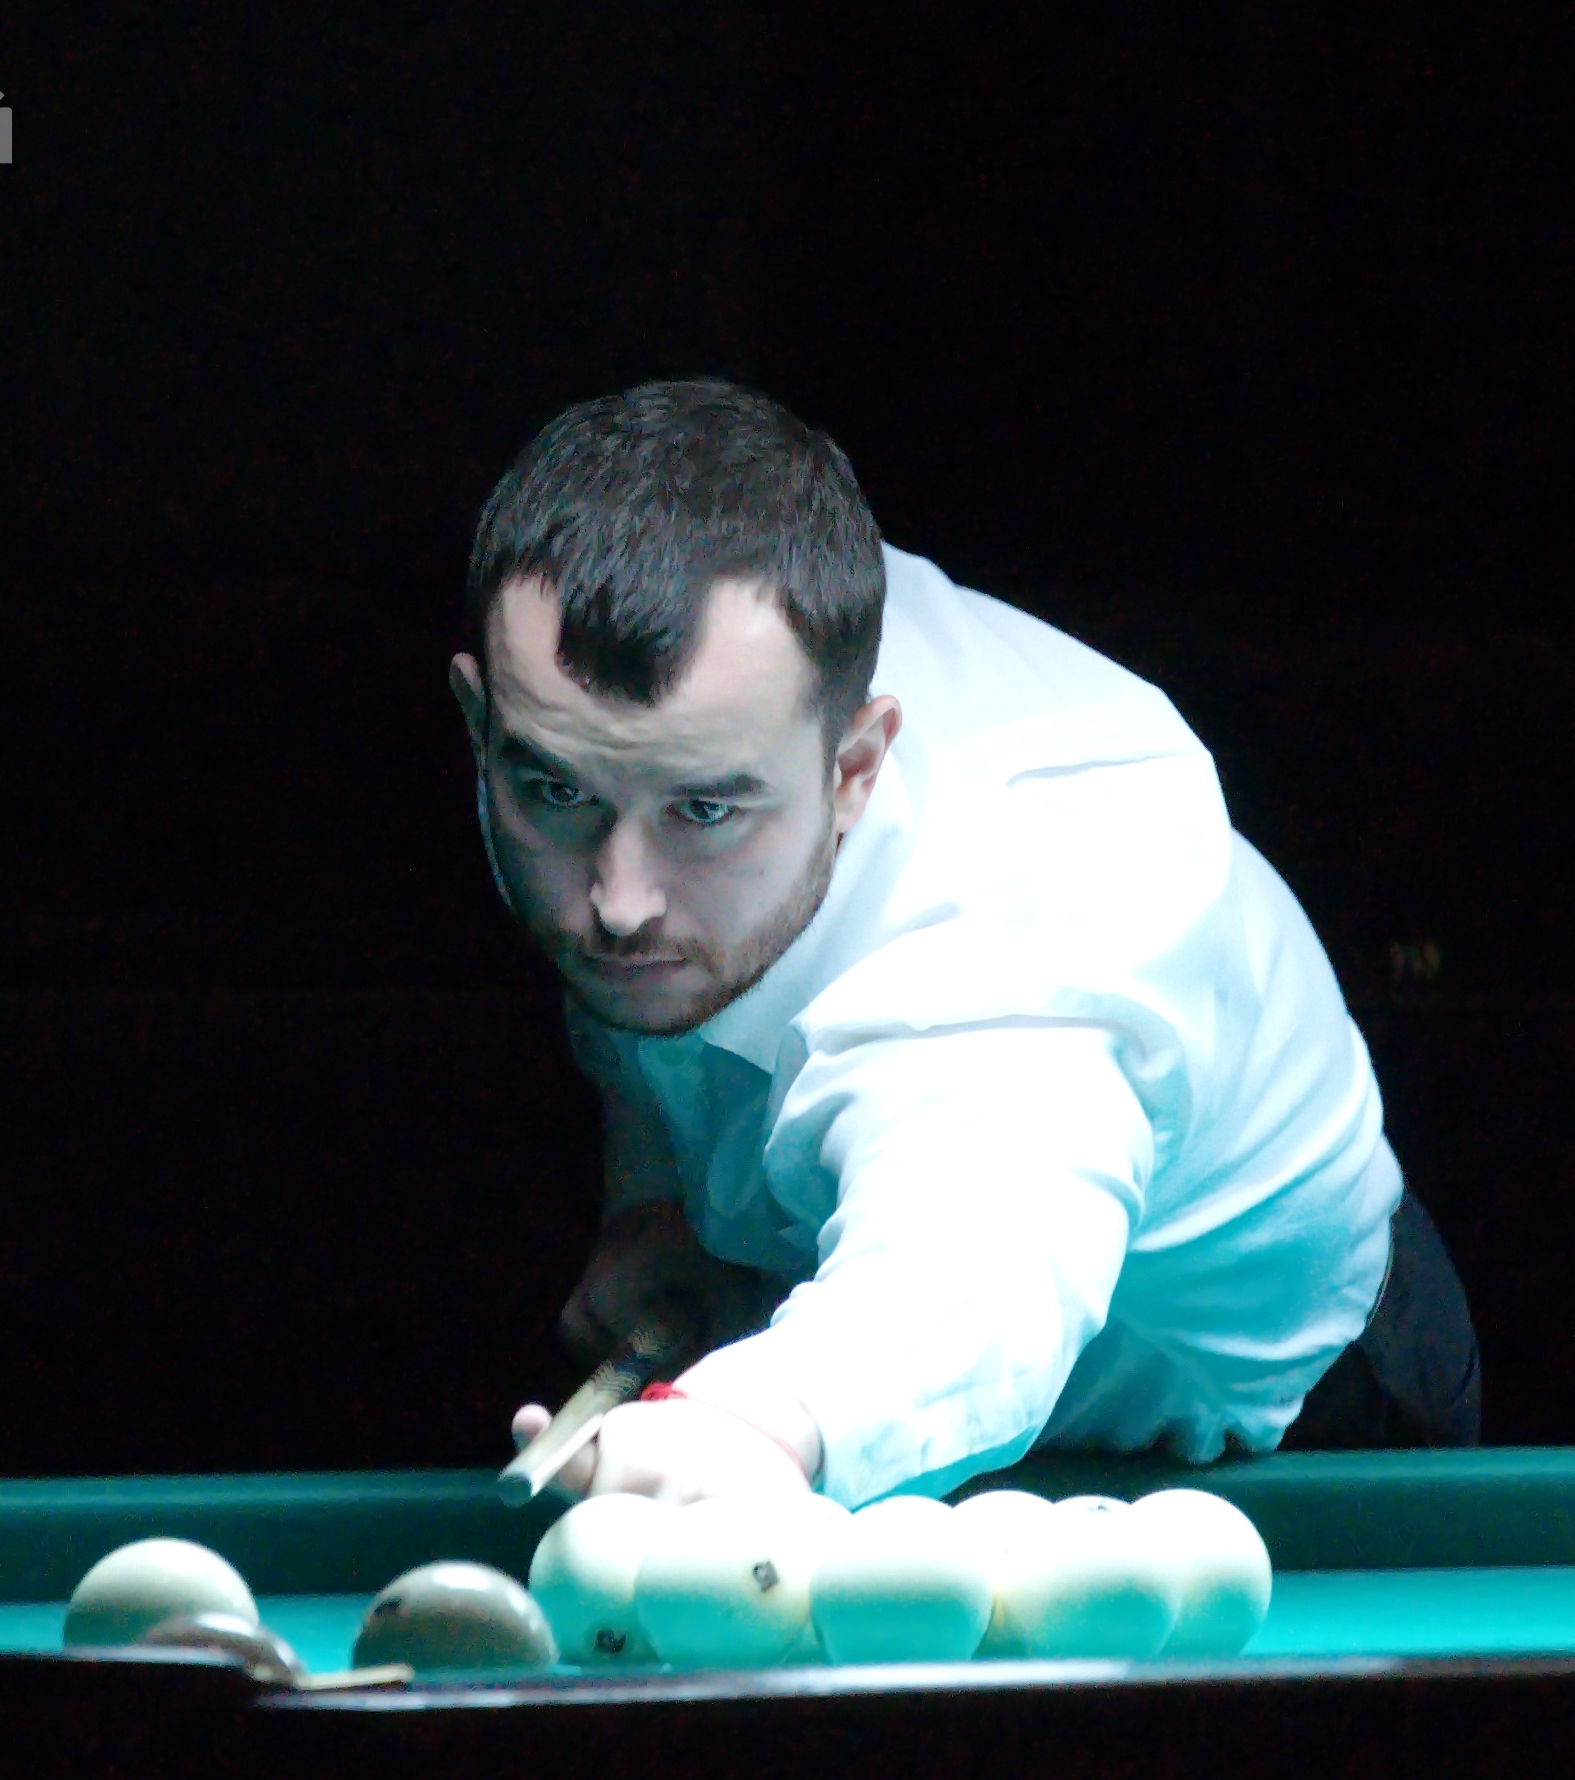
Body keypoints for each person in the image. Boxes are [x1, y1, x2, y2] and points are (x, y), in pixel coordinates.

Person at [462, 378, 1480, 1510]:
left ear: (855, 768)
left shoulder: (1040, 905)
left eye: (703, 812)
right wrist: (661, 1205)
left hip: (1299, 1401)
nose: (618, 901)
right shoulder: (729, 664)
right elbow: (641, 1000)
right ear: (481, 726)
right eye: (558, 792)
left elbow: (979, 1251)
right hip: (902, 1385)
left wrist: (761, 1417)